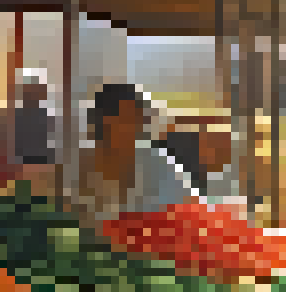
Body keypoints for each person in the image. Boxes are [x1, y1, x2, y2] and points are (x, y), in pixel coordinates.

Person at [78, 83, 201, 224]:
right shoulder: (81, 171)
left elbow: (190, 207)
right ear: (105, 121)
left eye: (139, 118)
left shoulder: (156, 161)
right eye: (129, 118)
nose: (138, 126)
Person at [7, 69, 57, 197]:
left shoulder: (46, 114)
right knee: (27, 192)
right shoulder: (17, 115)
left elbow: (51, 139)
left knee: (39, 192)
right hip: (23, 162)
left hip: (41, 161)